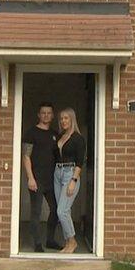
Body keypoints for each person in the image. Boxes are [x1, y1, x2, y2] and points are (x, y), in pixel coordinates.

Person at [22, 103, 61, 252]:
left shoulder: (55, 134)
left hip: (52, 180)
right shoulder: (31, 133)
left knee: (56, 209)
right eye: (43, 113)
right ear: (38, 115)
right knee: (36, 212)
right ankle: (37, 243)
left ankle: (50, 240)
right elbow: (26, 156)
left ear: (52, 115)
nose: (46, 115)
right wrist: (30, 178)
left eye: (49, 113)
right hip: (36, 179)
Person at [54, 107, 87, 254]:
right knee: (61, 211)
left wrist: (74, 180)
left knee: (62, 211)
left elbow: (80, 162)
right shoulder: (60, 136)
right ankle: (68, 243)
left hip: (70, 174)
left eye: (66, 118)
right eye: (61, 118)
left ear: (72, 119)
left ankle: (72, 241)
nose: (63, 121)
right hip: (57, 173)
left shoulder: (78, 138)